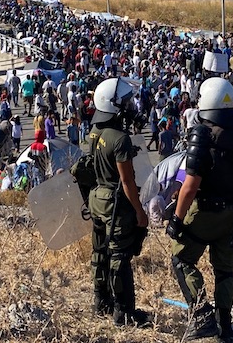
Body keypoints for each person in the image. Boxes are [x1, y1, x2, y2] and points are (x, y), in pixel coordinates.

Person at [166, 77, 233, 341]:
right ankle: (226, 326)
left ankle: (201, 316)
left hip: (205, 212)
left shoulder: (203, 134)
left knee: (182, 260)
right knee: (224, 270)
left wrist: (176, 219)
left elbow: (191, 184)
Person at [87, 77, 150, 327]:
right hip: (116, 204)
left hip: (97, 200)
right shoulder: (120, 139)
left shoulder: (95, 132)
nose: (129, 105)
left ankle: (100, 300)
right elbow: (126, 182)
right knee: (119, 256)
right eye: (124, 102)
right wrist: (139, 211)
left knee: (99, 251)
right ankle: (123, 312)